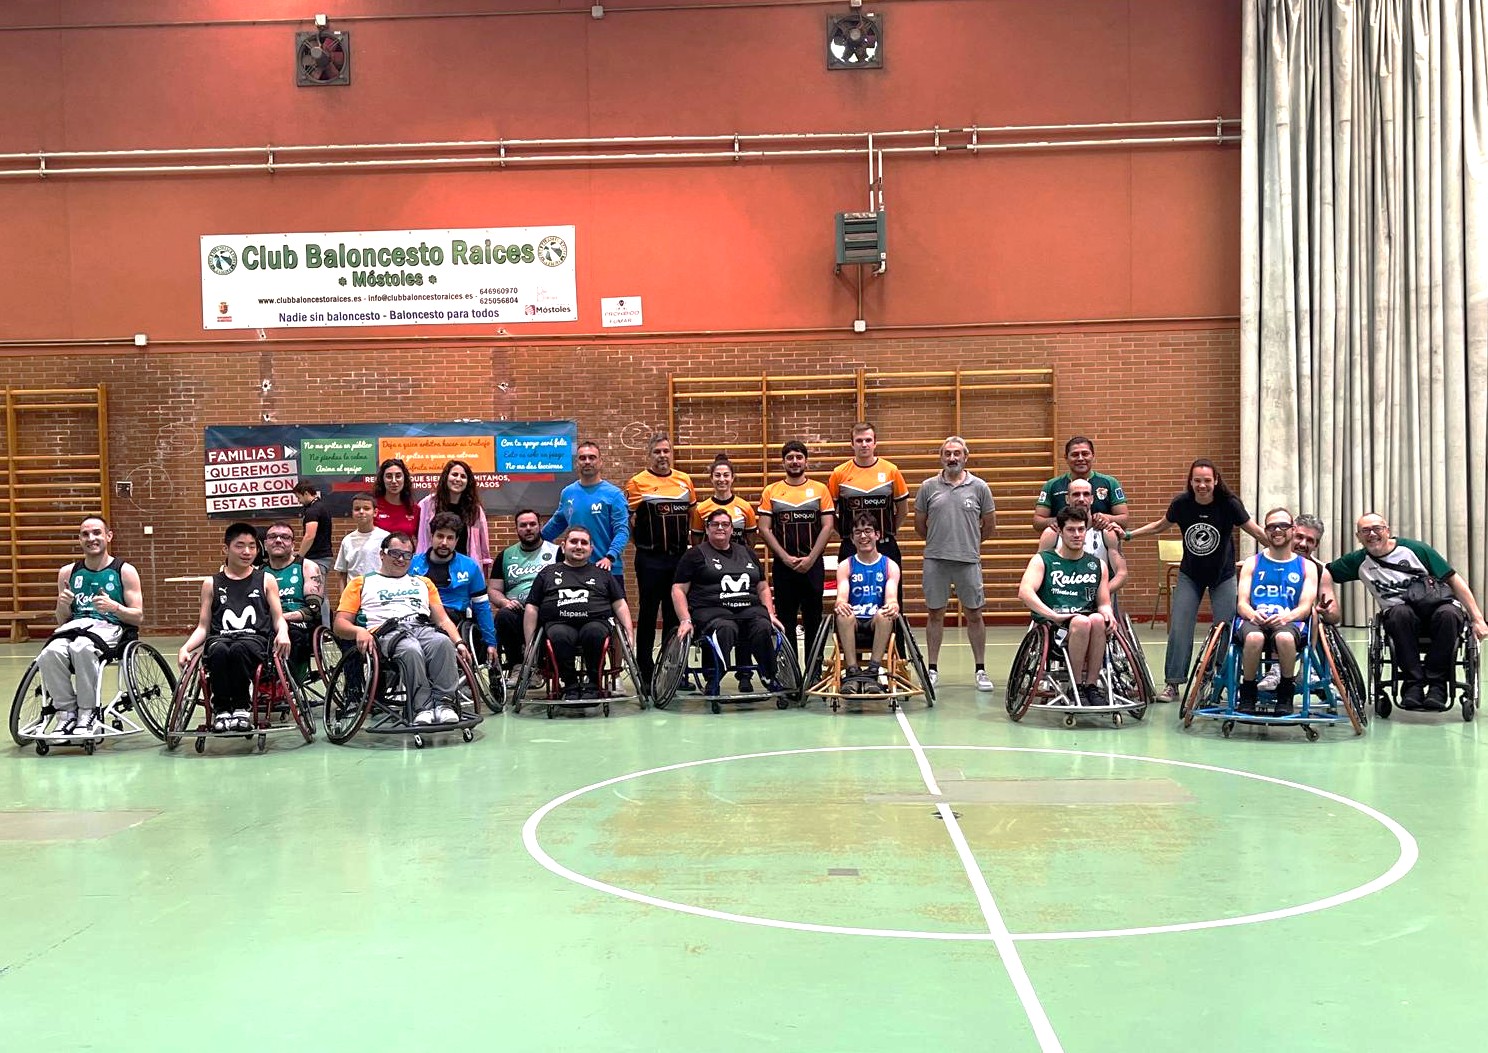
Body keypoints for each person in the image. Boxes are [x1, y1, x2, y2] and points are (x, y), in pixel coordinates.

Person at [1126, 459, 1268, 702]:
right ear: (1191, 482)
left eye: (1207, 481)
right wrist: (1130, 535)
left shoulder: (1229, 504)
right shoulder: (1182, 504)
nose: (1202, 485)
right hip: (1190, 575)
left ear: (1216, 481)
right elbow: (1160, 526)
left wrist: (1285, 553)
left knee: (1225, 628)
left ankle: (1217, 681)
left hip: (1223, 575)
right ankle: (1173, 683)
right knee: (1180, 627)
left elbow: (1255, 531)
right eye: (1197, 481)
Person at [1326, 513, 1488, 710]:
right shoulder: (1358, 561)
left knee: (1449, 614)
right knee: (1399, 613)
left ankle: (1437, 685)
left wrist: (1478, 618)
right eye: (1365, 531)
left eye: (1377, 528)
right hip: (1401, 618)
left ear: (1387, 530)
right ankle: (1413, 684)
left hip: (1435, 607)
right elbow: (1324, 571)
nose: (1372, 534)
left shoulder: (1415, 549)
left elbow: (1453, 579)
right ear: (1358, 536)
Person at [335, 531, 471, 726]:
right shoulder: (361, 583)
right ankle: (422, 707)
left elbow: (442, 620)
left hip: (421, 626)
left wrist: (458, 642)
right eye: (395, 553)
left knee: (442, 642)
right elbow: (340, 624)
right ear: (382, 554)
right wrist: (359, 631)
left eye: (407, 555)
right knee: (410, 649)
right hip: (387, 632)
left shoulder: (424, 583)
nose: (401, 559)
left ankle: (444, 704)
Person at [35, 517, 145, 736]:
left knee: (82, 648)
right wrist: (62, 604)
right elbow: (62, 620)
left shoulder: (124, 570)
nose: (91, 538)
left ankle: (88, 712)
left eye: (96, 533)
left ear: (108, 536)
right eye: (85, 534)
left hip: (109, 627)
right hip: (75, 627)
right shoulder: (68, 572)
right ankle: (67, 713)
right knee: (49, 653)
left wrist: (115, 607)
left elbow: (138, 616)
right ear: (79, 539)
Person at [178, 523, 292, 733]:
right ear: (226, 549)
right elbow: (203, 627)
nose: (247, 551)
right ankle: (221, 709)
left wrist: (283, 632)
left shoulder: (266, 580)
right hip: (220, 639)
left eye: (252, 546)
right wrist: (186, 648)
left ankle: (241, 707)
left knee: (239, 649)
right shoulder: (211, 583)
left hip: (254, 641)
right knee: (219, 651)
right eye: (240, 546)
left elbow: (278, 618)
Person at [914, 436, 997, 692]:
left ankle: (980, 670)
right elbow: (920, 525)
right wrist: (939, 543)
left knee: (974, 614)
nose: (952, 458)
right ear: (941, 457)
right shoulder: (928, 487)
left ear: (965, 457)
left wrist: (968, 544)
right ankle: (932, 669)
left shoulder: (980, 487)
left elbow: (989, 526)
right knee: (935, 614)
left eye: (957, 453)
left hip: (968, 561)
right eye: (947, 453)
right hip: (935, 561)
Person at [672, 508, 785, 694]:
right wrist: (685, 619)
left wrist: (770, 614)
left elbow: (763, 587)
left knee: (763, 626)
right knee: (726, 628)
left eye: (725, 524)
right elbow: (678, 589)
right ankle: (714, 677)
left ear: (732, 529)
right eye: (715, 524)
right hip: (712, 611)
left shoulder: (747, 553)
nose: (720, 528)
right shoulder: (695, 555)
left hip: (748, 609)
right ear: (707, 529)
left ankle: (769, 675)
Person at [1017, 507, 1116, 706]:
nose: (1077, 534)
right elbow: (1025, 592)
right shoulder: (1043, 560)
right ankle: (1075, 686)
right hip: (1054, 627)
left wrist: (1108, 613)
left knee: (1098, 619)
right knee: (1081, 622)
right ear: (1060, 532)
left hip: (1087, 624)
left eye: (1081, 529)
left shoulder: (1097, 565)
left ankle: (1091, 686)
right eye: (1071, 530)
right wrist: (1052, 615)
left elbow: (1104, 602)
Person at [523, 527, 634, 700]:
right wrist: (529, 643)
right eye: (573, 541)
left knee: (594, 632)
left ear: (591, 549)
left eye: (584, 543)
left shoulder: (602, 573)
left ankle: (594, 683)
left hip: (595, 622)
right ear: (563, 546)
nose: (579, 546)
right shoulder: (547, 573)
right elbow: (532, 607)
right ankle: (570, 684)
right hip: (559, 623)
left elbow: (620, 604)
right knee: (559, 635)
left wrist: (629, 633)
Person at [757, 440, 835, 677]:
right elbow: (764, 528)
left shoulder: (820, 490)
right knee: (786, 622)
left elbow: (828, 526)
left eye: (799, 457)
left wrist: (811, 558)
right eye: (790, 457)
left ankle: (814, 673)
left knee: (813, 621)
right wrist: (784, 558)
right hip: (784, 567)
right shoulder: (771, 491)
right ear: (783, 462)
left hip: (813, 566)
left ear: (806, 461)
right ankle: (789, 673)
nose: (794, 461)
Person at [624, 433, 695, 688]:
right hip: (650, 560)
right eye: (657, 452)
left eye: (666, 451)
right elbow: (629, 523)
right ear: (649, 455)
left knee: (675, 616)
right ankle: (645, 671)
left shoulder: (684, 481)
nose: (662, 456)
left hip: (678, 560)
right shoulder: (637, 483)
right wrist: (645, 547)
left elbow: (691, 517)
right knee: (648, 615)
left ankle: (672, 670)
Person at [1233, 508, 1317, 715]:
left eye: (1283, 526)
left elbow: (1305, 607)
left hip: (1289, 621)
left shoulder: (1307, 567)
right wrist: (1252, 614)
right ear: (1266, 531)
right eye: (1271, 527)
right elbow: (1242, 603)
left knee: (1285, 638)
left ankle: (1286, 691)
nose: (1277, 530)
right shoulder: (1252, 563)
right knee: (1254, 637)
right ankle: (1248, 691)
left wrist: (1287, 616)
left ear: (1293, 529)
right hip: (1255, 619)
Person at [410, 512, 498, 667]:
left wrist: (491, 643)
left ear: (457, 540)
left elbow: (482, 607)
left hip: (455, 619)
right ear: (432, 536)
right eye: (440, 536)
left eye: (450, 538)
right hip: (419, 617)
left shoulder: (470, 566)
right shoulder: (413, 564)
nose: (444, 542)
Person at [543, 440, 631, 591]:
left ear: (600, 462)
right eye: (582, 458)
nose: (587, 461)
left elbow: (622, 531)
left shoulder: (614, 495)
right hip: (575, 570)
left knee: (616, 607)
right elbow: (557, 523)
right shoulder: (567, 493)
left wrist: (610, 557)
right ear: (576, 463)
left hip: (607, 568)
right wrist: (534, 542)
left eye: (592, 457)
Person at [833, 516, 901, 695]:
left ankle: (873, 672)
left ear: (877, 535)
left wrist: (893, 605)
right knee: (843, 614)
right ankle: (852, 672)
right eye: (858, 532)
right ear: (852, 538)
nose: (863, 536)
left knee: (886, 614)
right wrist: (840, 603)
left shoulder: (890, 565)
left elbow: (891, 597)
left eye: (868, 531)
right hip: (854, 620)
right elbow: (841, 597)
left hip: (875, 621)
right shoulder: (846, 565)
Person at [828, 422, 910, 566]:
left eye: (868, 440)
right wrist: (846, 533)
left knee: (891, 582)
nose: (864, 444)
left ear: (875, 443)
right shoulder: (838, 474)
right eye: (859, 440)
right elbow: (829, 514)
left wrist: (887, 531)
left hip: (885, 545)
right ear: (852, 444)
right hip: (851, 547)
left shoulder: (891, 471)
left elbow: (903, 510)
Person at [490, 509, 559, 674]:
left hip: (545, 609)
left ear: (540, 526)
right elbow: (493, 589)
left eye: (532, 524)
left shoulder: (557, 552)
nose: (528, 528)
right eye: (523, 525)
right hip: (517, 609)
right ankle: (517, 666)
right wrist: (504, 602)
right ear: (516, 529)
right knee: (503, 616)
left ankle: (538, 667)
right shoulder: (505, 555)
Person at [1038, 478, 1129, 595]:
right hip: (1062, 600)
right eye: (1076, 494)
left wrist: (1098, 595)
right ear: (1067, 499)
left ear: (1092, 499)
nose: (1081, 499)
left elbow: (1122, 574)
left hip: (1098, 600)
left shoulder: (1106, 532)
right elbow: (1037, 572)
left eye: (1086, 494)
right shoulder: (1052, 533)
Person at [262, 521, 325, 678]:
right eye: (272, 537)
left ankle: (292, 683)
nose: (278, 540)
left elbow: (313, 610)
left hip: (299, 623)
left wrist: (281, 618)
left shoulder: (307, 567)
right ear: (265, 544)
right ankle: (264, 683)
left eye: (285, 537)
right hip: (267, 624)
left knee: (294, 635)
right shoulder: (259, 572)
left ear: (293, 544)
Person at [1032, 436, 1130, 533]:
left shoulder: (1109, 483)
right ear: (1066, 458)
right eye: (1075, 455)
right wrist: (1057, 521)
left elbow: (1124, 520)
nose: (1080, 458)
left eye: (1085, 454)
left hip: (1103, 541)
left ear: (1093, 456)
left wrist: (1107, 518)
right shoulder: (1052, 485)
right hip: (1064, 542)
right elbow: (1037, 522)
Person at [415, 459, 491, 570]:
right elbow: (418, 536)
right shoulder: (427, 504)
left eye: (463, 476)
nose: (458, 479)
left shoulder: (475, 509)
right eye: (454, 474)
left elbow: (483, 545)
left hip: (464, 570)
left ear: (468, 482)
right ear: (446, 477)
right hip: (431, 568)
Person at [690, 454, 757, 547]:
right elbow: (696, 544)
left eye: (726, 475)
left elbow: (751, 543)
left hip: (738, 556)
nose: (722, 479)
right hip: (711, 556)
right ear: (711, 478)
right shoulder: (701, 509)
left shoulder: (746, 507)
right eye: (717, 475)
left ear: (732, 478)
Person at [293, 479, 334, 625]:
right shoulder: (321, 507)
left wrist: (300, 556)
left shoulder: (313, 510)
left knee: (320, 595)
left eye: (298, 497)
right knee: (318, 594)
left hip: (318, 558)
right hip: (321, 556)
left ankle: (325, 629)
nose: (298, 501)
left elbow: (309, 535)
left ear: (305, 493)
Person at [1291, 514, 1340, 626]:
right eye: (1299, 537)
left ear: (1316, 545)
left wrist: (1327, 612)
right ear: (1290, 536)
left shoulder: (1321, 571)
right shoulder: (1266, 561)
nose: (1303, 544)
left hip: (1302, 626)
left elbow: (1335, 616)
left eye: (1309, 540)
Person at [334, 493, 389, 586]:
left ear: (375, 512)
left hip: (379, 590)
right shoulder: (347, 540)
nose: (361, 512)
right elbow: (342, 573)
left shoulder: (385, 538)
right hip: (355, 591)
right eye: (357, 509)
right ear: (352, 512)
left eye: (366, 508)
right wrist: (343, 595)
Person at [373, 457, 420, 537]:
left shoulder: (415, 509)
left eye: (398, 476)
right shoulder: (373, 506)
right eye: (389, 476)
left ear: (404, 479)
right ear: (382, 479)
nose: (394, 481)